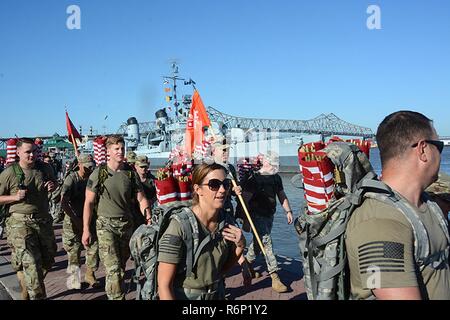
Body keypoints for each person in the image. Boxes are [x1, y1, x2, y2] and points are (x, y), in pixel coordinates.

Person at [345, 111, 450, 300]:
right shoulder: (379, 222)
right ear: (423, 150)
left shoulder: (428, 204)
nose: (441, 156)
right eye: (439, 146)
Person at [157, 162, 245, 300]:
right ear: (198, 189)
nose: (222, 190)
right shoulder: (180, 226)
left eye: (226, 184)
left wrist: (240, 246)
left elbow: (221, 271)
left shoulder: (226, 221)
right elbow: (164, 285)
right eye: (214, 184)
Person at [82, 136, 152, 300]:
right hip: (106, 225)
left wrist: (148, 215)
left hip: (126, 225)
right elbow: (89, 202)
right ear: (108, 151)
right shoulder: (99, 173)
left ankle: (115, 293)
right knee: (113, 269)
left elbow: (141, 199)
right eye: (116, 149)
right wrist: (86, 229)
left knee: (120, 266)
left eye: (122, 148)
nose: (120, 152)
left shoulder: (130, 174)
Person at [0, 138, 57, 300]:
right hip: (19, 223)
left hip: (43, 221)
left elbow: (54, 184)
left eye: (34, 151)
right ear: (18, 153)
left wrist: (52, 185)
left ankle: (25, 281)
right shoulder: (10, 173)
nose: (32, 155)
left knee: (47, 260)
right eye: (27, 152)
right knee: (32, 265)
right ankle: (35, 292)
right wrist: (14, 197)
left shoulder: (45, 168)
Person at [241, 150, 294, 293]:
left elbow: (281, 194)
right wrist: (245, 219)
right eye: (273, 163)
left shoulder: (276, 178)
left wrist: (288, 211)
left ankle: (248, 263)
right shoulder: (255, 179)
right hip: (255, 215)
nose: (276, 166)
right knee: (266, 241)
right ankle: (274, 276)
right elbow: (245, 199)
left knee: (259, 243)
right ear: (266, 162)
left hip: (269, 214)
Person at [60, 154, 99, 289]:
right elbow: (64, 202)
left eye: (92, 167)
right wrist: (75, 219)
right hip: (73, 221)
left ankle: (90, 274)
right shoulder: (71, 179)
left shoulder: (93, 178)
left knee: (93, 248)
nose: (90, 170)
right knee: (74, 252)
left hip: (89, 218)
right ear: (80, 165)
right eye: (87, 167)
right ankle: (74, 280)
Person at [133, 155, 156, 228]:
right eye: (141, 167)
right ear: (136, 166)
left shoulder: (152, 180)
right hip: (134, 212)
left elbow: (157, 195)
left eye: (145, 167)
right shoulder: (131, 179)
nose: (143, 169)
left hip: (149, 211)